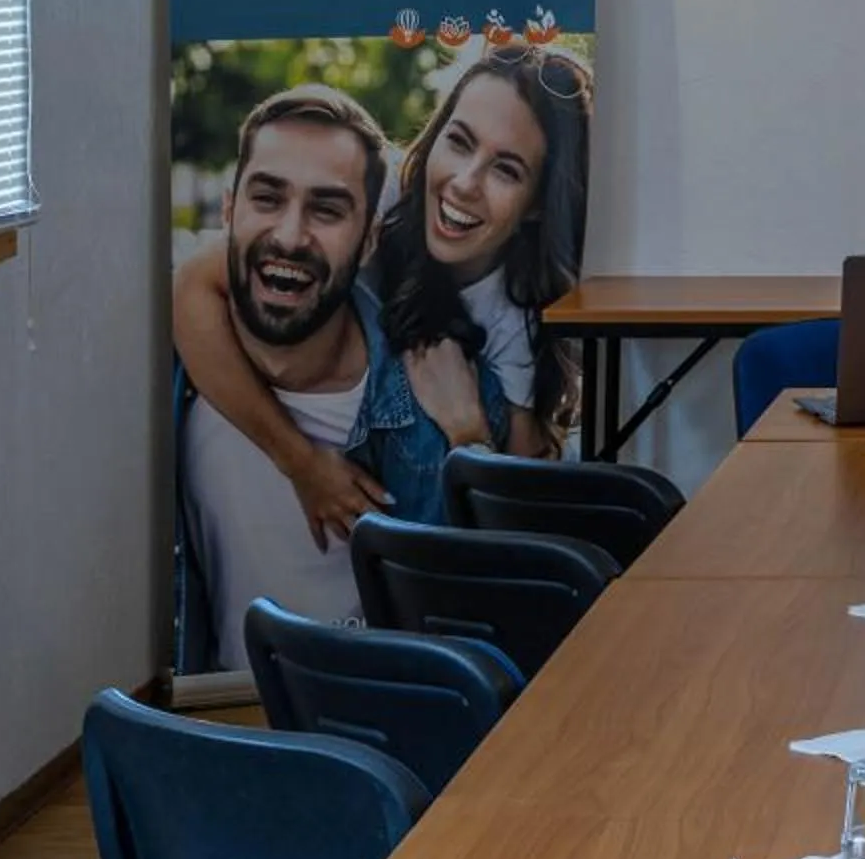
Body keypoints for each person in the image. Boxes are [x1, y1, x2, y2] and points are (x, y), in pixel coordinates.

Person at [173, 42, 593, 545]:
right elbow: (193, 287)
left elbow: (517, 525)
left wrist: (467, 432)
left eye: (506, 169)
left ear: (538, 205)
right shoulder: (381, 194)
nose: (464, 183)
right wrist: (302, 463)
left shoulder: (517, 315)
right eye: (459, 142)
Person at [177, 86, 508, 670]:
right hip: (219, 714)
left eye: (327, 210)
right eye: (267, 199)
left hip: (379, 711)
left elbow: (490, 610)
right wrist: (301, 461)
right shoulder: (168, 366)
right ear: (229, 213)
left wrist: (470, 443)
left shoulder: (441, 403)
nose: (289, 235)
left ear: (369, 240)